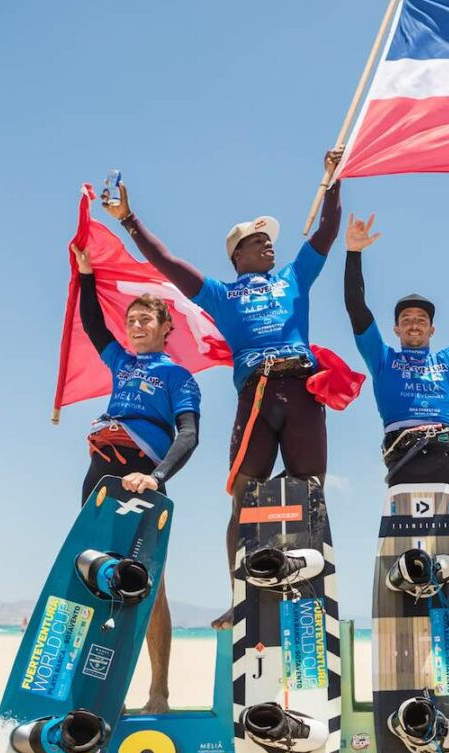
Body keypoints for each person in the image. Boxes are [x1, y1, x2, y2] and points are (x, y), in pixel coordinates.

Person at [101, 150, 344, 628]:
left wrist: (333, 180)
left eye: (268, 239)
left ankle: (309, 586)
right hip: (254, 395)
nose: (268, 245)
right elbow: (167, 263)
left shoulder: (294, 277)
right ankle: (243, 594)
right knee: (245, 496)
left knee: (310, 491)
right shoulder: (219, 293)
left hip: (301, 394)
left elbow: (326, 233)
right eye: (257, 241)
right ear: (237, 255)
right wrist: (128, 219)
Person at [72, 241, 202, 712]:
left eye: (146, 319)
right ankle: (98, 691)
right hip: (100, 480)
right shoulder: (121, 363)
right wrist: (87, 276)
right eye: (131, 320)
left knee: (149, 587)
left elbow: (188, 435)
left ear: (166, 328)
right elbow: (91, 323)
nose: (135, 326)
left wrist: (157, 475)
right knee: (95, 577)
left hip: (143, 477)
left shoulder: (178, 377)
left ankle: (158, 692)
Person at [343, 214, 449, 505]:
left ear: (432, 329)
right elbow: (357, 308)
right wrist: (353, 253)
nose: (414, 324)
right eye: (406, 320)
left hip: (446, 457)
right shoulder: (382, 358)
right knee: (406, 546)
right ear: (396, 329)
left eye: (421, 320)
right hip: (403, 456)